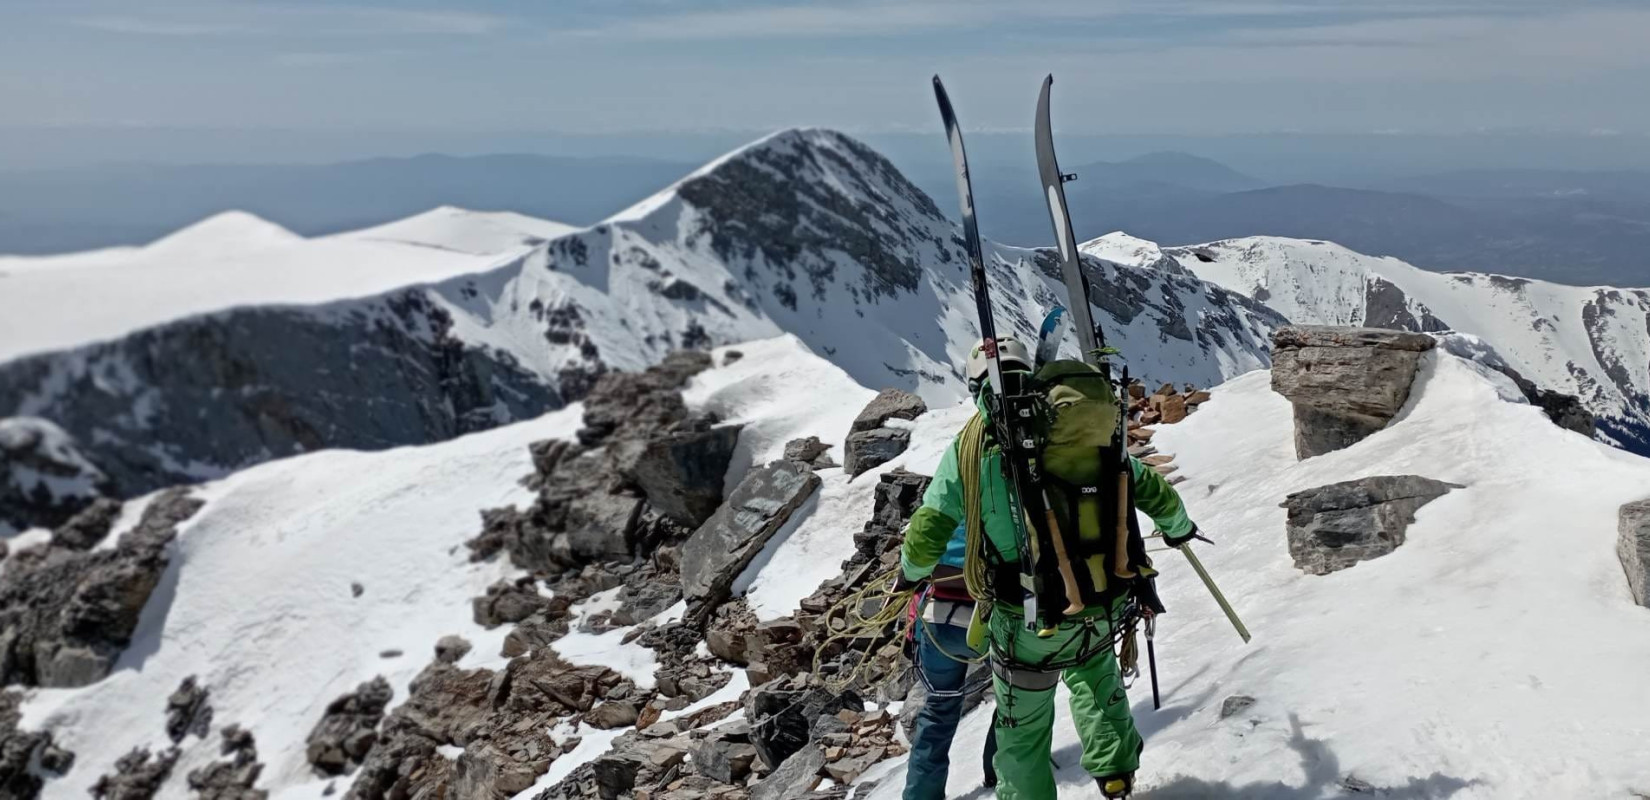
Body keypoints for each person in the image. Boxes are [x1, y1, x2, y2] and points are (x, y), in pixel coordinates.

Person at [898, 338, 1199, 800]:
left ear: (978, 385)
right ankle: (1116, 774)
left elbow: (932, 522)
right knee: (1095, 679)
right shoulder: (1085, 435)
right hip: (1100, 598)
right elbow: (1148, 486)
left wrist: (912, 571)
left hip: (1026, 616)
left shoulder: (975, 447)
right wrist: (1179, 529)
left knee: (1023, 725)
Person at [901, 523, 997, 800]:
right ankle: (999, 769)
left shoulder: (939, 505)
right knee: (1013, 700)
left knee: (938, 709)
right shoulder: (1003, 500)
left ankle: (922, 795)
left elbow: (913, 567)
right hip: (988, 620)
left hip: (936, 621)